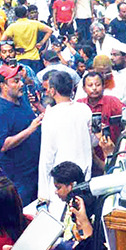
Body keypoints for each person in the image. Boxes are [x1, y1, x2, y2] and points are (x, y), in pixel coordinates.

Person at [38, 71, 92, 216]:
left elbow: (46, 157)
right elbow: (92, 142)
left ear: (53, 90)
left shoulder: (51, 116)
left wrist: (43, 196)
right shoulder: (84, 109)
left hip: (60, 181)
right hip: (84, 177)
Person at [0, 64, 43, 206]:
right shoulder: (0, 111)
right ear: (3, 86)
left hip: (36, 169)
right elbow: (3, 145)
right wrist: (30, 129)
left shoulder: (22, 99)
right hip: (19, 177)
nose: (21, 84)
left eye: (20, 80)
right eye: (16, 81)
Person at [1, 6, 53, 74]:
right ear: (27, 14)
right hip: (34, 57)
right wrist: (41, 42)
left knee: (24, 79)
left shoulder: (12, 27)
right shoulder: (34, 23)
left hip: (20, 57)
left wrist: (14, 49)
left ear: (15, 15)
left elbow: (2, 41)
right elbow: (50, 30)